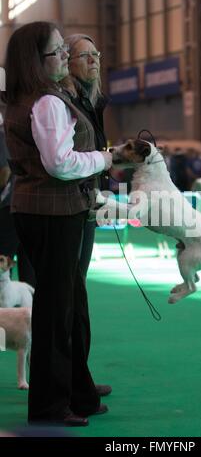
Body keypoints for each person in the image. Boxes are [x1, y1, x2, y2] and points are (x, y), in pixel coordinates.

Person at [3, 21, 112, 426]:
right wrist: (106, 159)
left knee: (57, 308)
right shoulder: (48, 102)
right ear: (37, 60)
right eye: (58, 52)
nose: (65, 57)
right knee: (56, 313)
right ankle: (51, 405)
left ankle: (71, 394)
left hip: (40, 210)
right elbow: (61, 164)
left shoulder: (26, 98)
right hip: (54, 212)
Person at [60, 34, 110, 280]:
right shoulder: (63, 101)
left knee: (78, 280)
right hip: (64, 205)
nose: (93, 60)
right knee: (65, 282)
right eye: (84, 55)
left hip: (88, 201)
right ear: (67, 62)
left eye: (96, 54)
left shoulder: (94, 103)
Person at [0, 112, 35, 286]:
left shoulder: (2, 133)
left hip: (9, 207)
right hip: (29, 202)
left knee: (3, 259)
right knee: (29, 265)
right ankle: (33, 310)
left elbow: (4, 172)